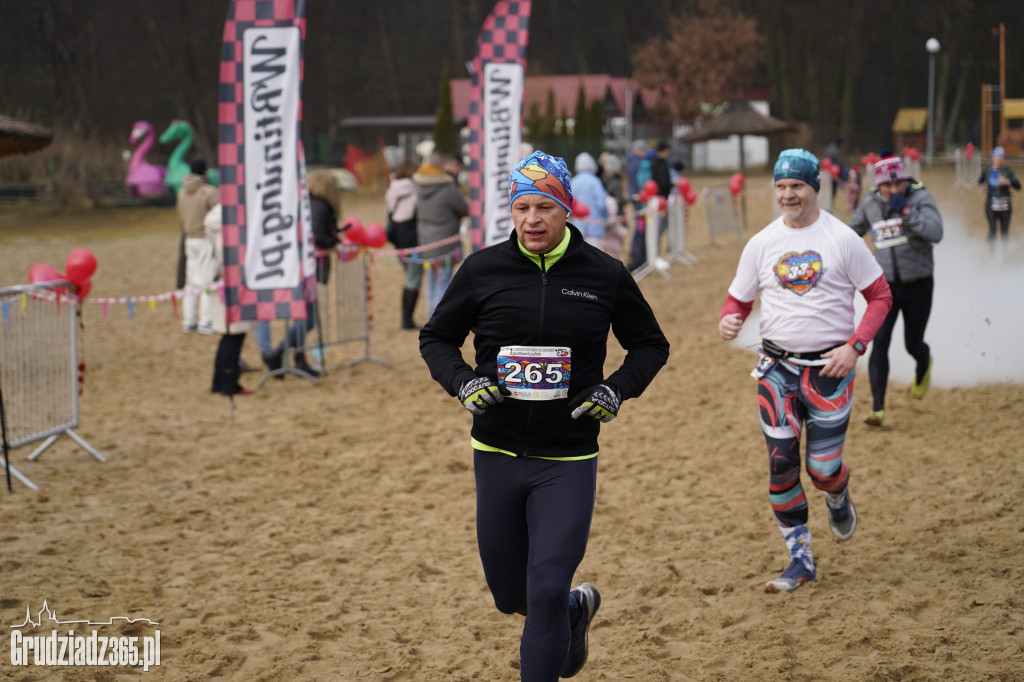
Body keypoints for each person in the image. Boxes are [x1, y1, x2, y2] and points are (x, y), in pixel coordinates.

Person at [419, 150, 670, 680]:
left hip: (568, 456)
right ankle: (574, 613)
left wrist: (616, 390)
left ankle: (560, 609)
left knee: (548, 585)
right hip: (497, 452)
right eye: (522, 207)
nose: (532, 219)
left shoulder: (604, 274)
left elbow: (650, 345)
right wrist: (463, 382)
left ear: (567, 210)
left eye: (545, 208)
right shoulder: (483, 269)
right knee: (512, 595)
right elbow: (436, 337)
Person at [718, 149, 892, 593]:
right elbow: (739, 297)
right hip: (776, 368)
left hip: (830, 370)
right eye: (781, 186)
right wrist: (730, 317)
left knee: (822, 469)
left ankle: (837, 492)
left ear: (815, 188)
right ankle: (800, 558)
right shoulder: (761, 243)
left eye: (797, 186)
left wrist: (855, 348)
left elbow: (880, 296)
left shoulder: (842, 238)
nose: (788, 195)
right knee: (780, 465)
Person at [849, 155, 943, 427]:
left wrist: (907, 213)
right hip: (885, 288)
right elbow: (851, 234)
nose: (893, 190)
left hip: (919, 284)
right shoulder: (870, 203)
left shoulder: (920, 199)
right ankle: (878, 408)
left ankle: (923, 364)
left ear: (904, 180)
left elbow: (936, 232)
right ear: (878, 186)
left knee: (912, 344)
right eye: (887, 186)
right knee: (880, 343)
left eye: (897, 184)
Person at [257, 170, 346, 377]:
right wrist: (335, 242)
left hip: (300, 267)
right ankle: (280, 353)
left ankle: (296, 358)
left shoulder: (307, 203)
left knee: (304, 315)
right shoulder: (321, 207)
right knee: (308, 317)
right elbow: (317, 236)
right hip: (307, 269)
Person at [204, 203, 257, 397]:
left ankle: (219, 381)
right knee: (234, 336)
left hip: (221, 283)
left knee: (229, 337)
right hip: (232, 284)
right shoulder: (232, 223)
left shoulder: (214, 220)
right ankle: (228, 383)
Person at [414, 150, 468, 320]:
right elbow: (464, 209)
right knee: (443, 282)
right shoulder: (447, 187)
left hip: (426, 241)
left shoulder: (419, 186)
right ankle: (437, 320)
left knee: (431, 281)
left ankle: (432, 318)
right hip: (444, 243)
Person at [176, 156, 220, 334]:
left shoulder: (181, 192)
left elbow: (179, 214)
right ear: (205, 171)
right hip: (205, 240)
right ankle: (206, 322)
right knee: (207, 282)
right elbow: (220, 217)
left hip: (188, 239)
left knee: (191, 282)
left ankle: (189, 321)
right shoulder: (210, 192)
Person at [385, 159, 422, 329]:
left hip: (397, 236)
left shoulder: (392, 188)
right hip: (412, 236)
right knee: (413, 279)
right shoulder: (415, 190)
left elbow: (388, 212)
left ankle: (406, 318)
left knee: (409, 277)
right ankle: (407, 319)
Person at [977, 146, 1021, 251]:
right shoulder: (987, 170)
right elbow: (980, 179)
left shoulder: (1007, 172)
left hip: (1005, 207)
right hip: (991, 205)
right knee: (992, 229)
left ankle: (1004, 255)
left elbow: (1018, 186)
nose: (999, 161)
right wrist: (981, 186)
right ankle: (992, 254)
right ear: (993, 158)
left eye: (1001, 159)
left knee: (1004, 232)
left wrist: (1008, 181)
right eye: (997, 158)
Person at [569, 151, 608, 249]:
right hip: (595, 228)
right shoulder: (595, 182)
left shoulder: (573, 182)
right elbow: (601, 204)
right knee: (596, 258)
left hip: (577, 229)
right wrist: (605, 219)